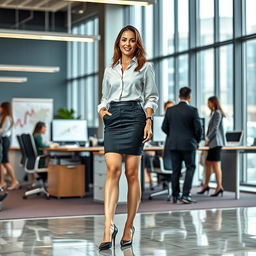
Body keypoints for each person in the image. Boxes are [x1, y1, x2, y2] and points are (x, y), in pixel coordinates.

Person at [98, 25, 159, 250]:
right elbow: (104, 97)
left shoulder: (145, 67)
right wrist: (102, 111)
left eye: (131, 40)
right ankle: (108, 226)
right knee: (113, 170)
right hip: (113, 118)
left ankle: (128, 227)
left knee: (132, 173)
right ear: (118, 43)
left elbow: (152, 96)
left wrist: (149, 121)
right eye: (123, 40)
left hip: (135, 116)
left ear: (137, 44)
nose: (127, 44)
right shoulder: (110, 69)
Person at [162, 87, 202, 204]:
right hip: (188, 144)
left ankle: (175, 196)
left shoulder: (170, 110)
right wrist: (197, 141)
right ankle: (185, 195)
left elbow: (164, 127)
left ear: (179, 96)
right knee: (190, 168)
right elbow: (198, 129)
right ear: (189, 97)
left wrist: (173, 136)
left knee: (176, 170)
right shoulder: (193, 110)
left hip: (173, 144)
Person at [197, 96, 225, 197]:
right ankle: (205, 185)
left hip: (216, 143)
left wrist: (207, 139)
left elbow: (215, 129)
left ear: (213, 103)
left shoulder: (217, 113)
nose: (208, 105)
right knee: (208, 164)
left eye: (209, 103)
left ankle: (219, 187)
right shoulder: (214, 113)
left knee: (216, 165)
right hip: (213, 144)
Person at [0, 102, 20, 190]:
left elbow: (3, 131)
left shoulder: (7, 118)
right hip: (4, 140)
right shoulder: (5, 117)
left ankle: (13, 181)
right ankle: (3, 181)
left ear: (4, 108)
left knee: (5, 162)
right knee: (3, 162)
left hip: (4, 140)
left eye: (0, 107)